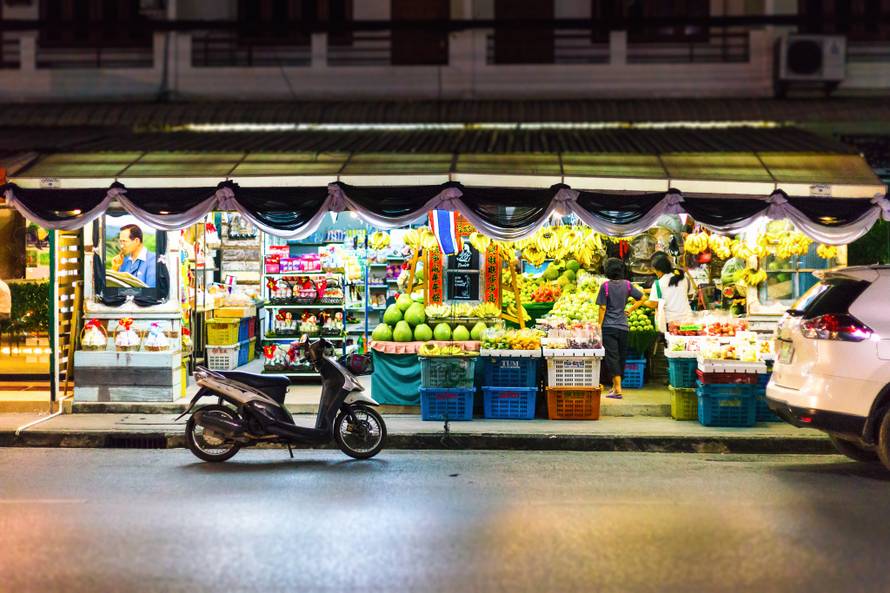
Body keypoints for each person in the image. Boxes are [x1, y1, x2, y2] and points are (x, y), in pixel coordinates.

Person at [597, 257, 645, 399]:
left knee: (612, 357)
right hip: (623, 327)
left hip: (609, 327)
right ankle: (615, 386)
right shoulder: (628, 285)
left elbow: (602, 307)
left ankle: (618, 389)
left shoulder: (605, 286)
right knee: (621, 357)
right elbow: (642, 298)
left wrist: (599, 326)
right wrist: (630, 309)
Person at [644, 251, 693, 329]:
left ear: (658, 270)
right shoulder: (684, 277)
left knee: (674, 341)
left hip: (671, 324)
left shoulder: (658, 283)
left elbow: (653, 304)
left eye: (654, 270)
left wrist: (641, 301)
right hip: (688, 321)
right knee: (688, 340)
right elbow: (690, 295)